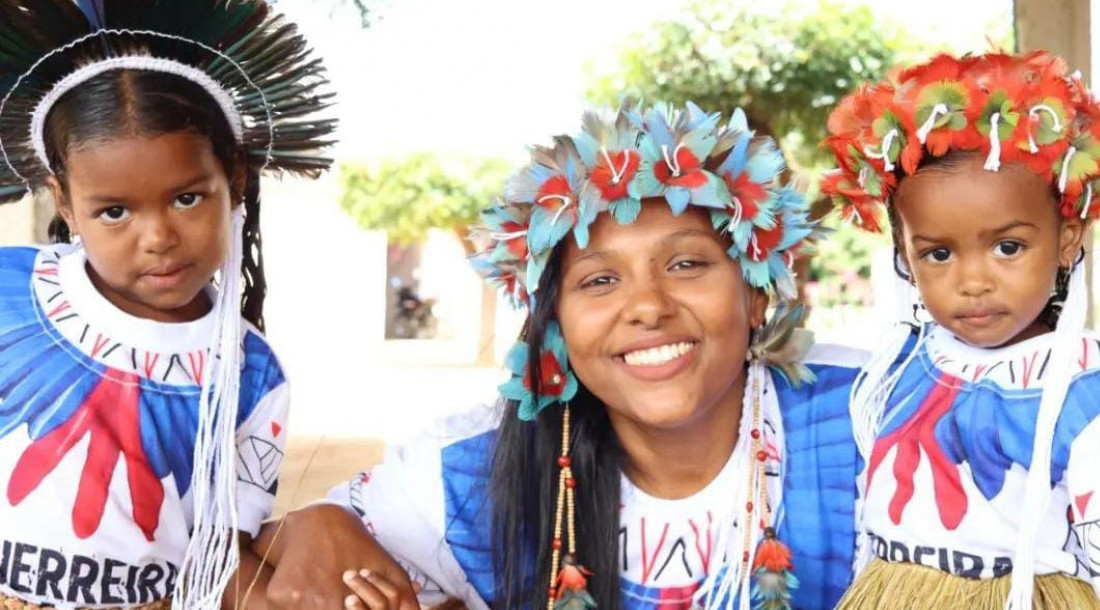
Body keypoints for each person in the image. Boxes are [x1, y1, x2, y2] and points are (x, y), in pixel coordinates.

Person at [256, 102, 866, 610]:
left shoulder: (868, 422)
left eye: (686, 264)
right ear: (554, 327)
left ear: (756, 294)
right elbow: (239, 557)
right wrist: (323, 523)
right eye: (599, 281)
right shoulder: (471, 476)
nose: (647, 307)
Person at [0, 2, 335, 609]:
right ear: (66, 203)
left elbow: (216, 557)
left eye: (186, 198)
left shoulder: (250, 375)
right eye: (114, 211)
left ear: (233, 178)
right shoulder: (8, 291)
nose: (157, 237)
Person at [822, 51, 1100, 610]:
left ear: (1068, 238)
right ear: (905, 253)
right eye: (939, 253)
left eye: (1007, 247)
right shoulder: (899, 365)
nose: (972, 281)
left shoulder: (1081, 390)